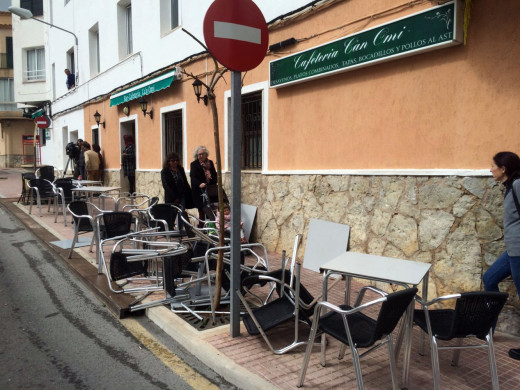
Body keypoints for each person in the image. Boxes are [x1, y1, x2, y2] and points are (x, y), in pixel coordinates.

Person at [482, 151, 520, 360]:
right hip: (512, 250)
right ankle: (488, 329)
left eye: (493, 165)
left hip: (519, 251)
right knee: (489, 279)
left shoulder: (518, 185)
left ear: (503, 169)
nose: (490, 169)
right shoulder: (509, 186)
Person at [190, 146, 217, 225]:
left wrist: (215, 181)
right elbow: (193, 176)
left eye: (202, 154)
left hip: (210, 190)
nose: (201, 156)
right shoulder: (194, 164)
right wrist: (199, 184)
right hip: (199, 192)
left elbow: (214, 174)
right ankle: (202, 228)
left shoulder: (210, 163)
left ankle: (211, 229)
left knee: (211, 210)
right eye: (199, 154)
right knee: (202, 211)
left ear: (206, 154)